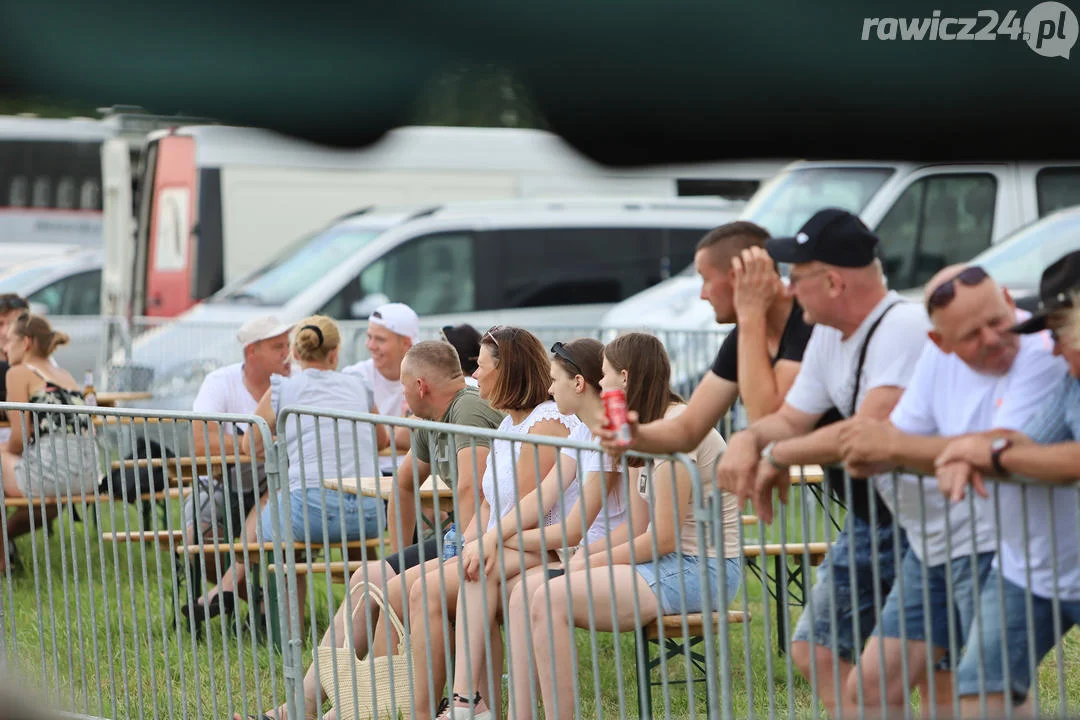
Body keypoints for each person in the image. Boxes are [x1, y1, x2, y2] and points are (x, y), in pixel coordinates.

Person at [715, 208, 930, 717]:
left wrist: (771, 451)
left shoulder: (904, 327)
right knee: (818, 650)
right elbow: (788, 419)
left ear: (833, 282)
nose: (788, 289)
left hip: (933, 525)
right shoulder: (829, 332)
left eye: (797, 276)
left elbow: (864, 432)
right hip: (874, 517)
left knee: (941, 682)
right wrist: (750, 440)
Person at [835, 265, 1066, 715]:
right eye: (971, 335)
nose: (994, 338)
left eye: (998, 321)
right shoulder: (937, 355)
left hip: (1007, 548)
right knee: (879, 687)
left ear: (1005, 295)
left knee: (983, 698)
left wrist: (928, 449)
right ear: (940, 341)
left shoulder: (1043, 347)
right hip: (950, 547)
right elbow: (885, 444)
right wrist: (952, 449)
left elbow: (1002, 445)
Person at [244, 340, 505, 720]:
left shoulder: (465, 407)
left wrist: (429, 563)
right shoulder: (430, 419)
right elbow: (403, 485)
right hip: (461, 539)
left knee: (397, 590)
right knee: (371, 575)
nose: (400, 397)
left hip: (489, 539)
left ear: (421, 386)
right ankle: (304, 705)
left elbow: (471, 489)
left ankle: (358, 710)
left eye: (403, 387)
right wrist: (399, 557)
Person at [529, 332, 740, 720]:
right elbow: (643, 535)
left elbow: (661, 538)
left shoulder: (674, 430)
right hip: (674, 561)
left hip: (703, 567)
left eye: (606, 374)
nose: (601, 381)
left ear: (624, 378)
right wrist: (586, 556)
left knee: (549, 597)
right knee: (543, 588)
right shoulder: (650, 428)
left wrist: (588, 562)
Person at [380, 326, 574, 719]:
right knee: (416, 586)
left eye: (482, 366)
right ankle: (449, 705)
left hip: (546, 544)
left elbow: (521, 508)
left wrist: (479, 544)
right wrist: (468, 539)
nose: (475, 375)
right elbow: (488, 503)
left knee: (432, 588)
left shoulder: (545, 422)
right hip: (508, 543)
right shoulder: (506, 426)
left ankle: (463, 702)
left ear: (507, 370)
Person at [934, 250, 1080, 718]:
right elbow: (1030, 437)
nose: (1053, 349)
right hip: (1035, 572)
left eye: (1059, 333)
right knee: (980, 697)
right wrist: (969, 449)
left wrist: (988, 454)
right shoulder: (1073, 382)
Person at [183, 316, 388, 624]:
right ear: (335, 354)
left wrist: (283, 435)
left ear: (295, 352)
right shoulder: (359, 386)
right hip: (370, 516)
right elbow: (382, 438)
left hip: (312, 513)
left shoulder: (282, 389)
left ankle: (272, 619)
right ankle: (372, 619)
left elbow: (248, 444)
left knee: (278, 515)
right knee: (284, 507)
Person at [598, 220, 811, 469]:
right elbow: (687, 429)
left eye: (706, 279)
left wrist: (750, 315)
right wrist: (637, 436)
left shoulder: (807, 325)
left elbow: (767, 423)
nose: (703, 294)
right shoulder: (744, 335)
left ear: (739, 276)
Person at [183, 315, 293, 582]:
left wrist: (247, 442)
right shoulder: (220, 381)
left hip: (280, 487)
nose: (287, 354)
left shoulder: (296, 379)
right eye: (277, 347)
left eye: (287, 345)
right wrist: (259, 443)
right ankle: (250, 605)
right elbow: (200, 444)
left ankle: (250, 605)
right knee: (197, 539)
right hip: (222, 485)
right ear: (251, 351)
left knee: (287, 540)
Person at [0, 314, 97, 571]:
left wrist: (6, 453)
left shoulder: (19, 373)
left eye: (9, 341)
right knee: (49, 501)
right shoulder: (63, 373)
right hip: (88, 475)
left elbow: (19, 438)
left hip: (52, 473)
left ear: (27, 342)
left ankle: (1, 559)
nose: (4, 347)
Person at [343, 303, 419, 476]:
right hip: (366, 475)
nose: (370, 345)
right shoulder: (354, 375)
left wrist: (384, 438)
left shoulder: (429, 376)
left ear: (406, 343)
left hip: (414, 474)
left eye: (380, 339)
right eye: (369, 336)